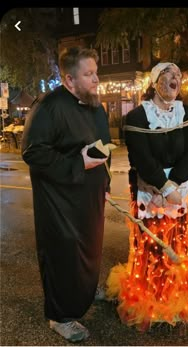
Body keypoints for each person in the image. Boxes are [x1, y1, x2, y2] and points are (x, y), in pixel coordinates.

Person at [105, 62, 188, 331]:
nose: (175, 79)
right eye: (168, 75)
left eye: (178, 75)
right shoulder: (136, 117)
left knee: (177, 246)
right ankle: (151, 297)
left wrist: (174, 188)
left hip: (178, 191)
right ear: (155, 82)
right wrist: (161, 189)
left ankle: (174, 295)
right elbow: (141, 158)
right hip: (149, 190)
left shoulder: (187, 113)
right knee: (152, 245)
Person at [21, 47, 111, 343]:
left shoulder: (95, 105)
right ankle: (60, 316)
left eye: (96, 71)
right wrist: (78, 163)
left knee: (91, 248)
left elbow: (102, 147)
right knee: (64, 255)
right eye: (89, 74)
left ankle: (85, 290)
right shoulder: (48, 107)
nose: (96, 78)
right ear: (69, 80)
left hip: (90, 197)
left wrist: (104, 185)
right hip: (60, 201)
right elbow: (33, 152)